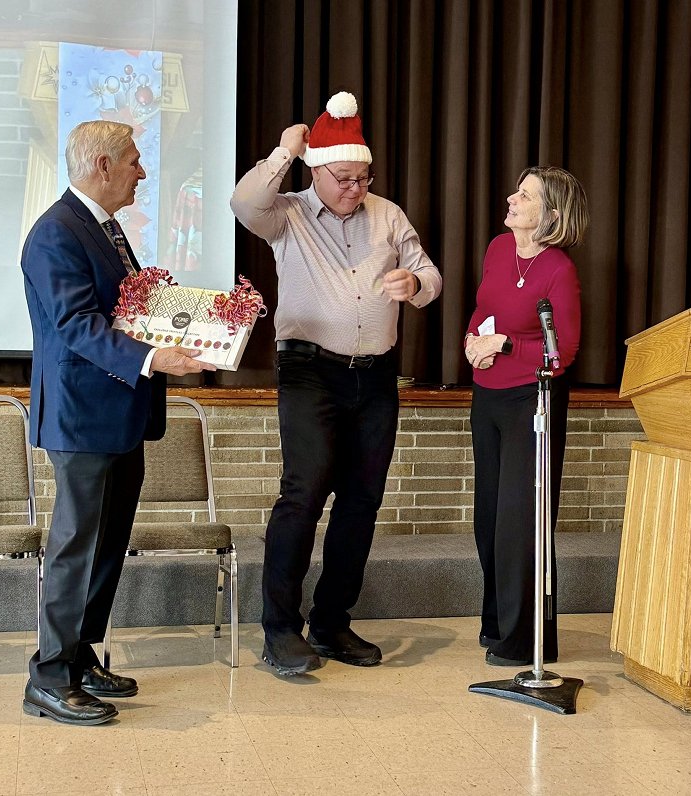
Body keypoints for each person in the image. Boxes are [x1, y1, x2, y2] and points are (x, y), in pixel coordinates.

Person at [231, 91, 441, 676]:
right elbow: (243, 203)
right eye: (343, 178)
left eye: (362, 177)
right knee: (304, 493)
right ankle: (280, 629)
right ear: (318, 171)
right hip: (308, 370)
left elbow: (429, 271)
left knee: (361, 501)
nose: (355, 188)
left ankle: (331, 621)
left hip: (374, 376)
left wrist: (414, 284)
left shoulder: (388, 214)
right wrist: (283, 153)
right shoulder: (288, 211)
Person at [20, 120, 215, 725]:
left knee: (106, 546)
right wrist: (156, 356)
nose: (143, 171)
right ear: (102, 166)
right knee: (76, 545)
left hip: (119, 413)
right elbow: (78, 326)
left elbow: (128, 307)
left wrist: (195, 323)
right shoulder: (56, 232)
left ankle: (80, 658)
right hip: (82, 416)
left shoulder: (104, 227)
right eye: (134, 160)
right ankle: (49, 678)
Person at [465, 166, 588, 666]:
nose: (513, 198)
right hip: (487, 395)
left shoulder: (559, 269)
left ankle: (525, 638)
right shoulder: (498, 249)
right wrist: (473, 342)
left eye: (526, 195)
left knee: (521, 521)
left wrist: (508, 343)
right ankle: (497, 622)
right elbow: (482, 311)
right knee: (489, 519)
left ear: (551, 215)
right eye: (517, 190)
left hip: (531, 401)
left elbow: (564, 351)